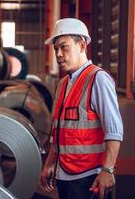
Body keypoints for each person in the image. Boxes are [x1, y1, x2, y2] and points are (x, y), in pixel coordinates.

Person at [39, 18, 124, 199]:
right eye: (56, 49)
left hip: (88, 177)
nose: (59, 54)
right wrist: (50, 163)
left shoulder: (98, 79)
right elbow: (58, 130)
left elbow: (114, 131)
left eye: (64, 47)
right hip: (63, 174)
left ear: (82, 45)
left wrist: (108, 170)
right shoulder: (63, 84)